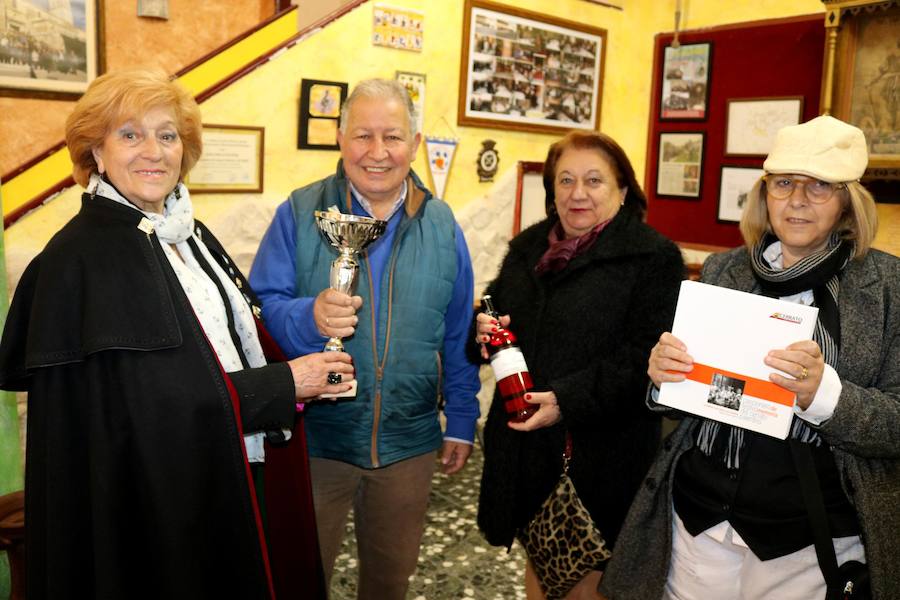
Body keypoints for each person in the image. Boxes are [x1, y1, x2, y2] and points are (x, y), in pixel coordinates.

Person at [0, 68, 356, 599]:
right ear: (95, 151)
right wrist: (285, 384)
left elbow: (224, 346)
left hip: (215, 468)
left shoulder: (180, 231)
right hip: (146, 506)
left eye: (167, 135)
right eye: (130, 134)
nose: (153, 151)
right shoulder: (81, 258)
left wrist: (298, 374)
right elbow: (148, 406)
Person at [601, 116, 900, 600]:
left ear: (848, 202)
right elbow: (689, 397)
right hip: (698, 524)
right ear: (765, 194)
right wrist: (663, 378)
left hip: (810, 541)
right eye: (784, 184)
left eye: (819, 186)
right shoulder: (725, 268)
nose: (797, 200)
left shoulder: (889, 289)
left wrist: (825, 397)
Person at [249, 78, 480, 599]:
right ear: (339, 137)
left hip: (408, 443)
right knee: (299, 578)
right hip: (316, 442)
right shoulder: (299, 212)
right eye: (363, 136)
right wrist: (309, 317)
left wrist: (462, 418)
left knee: (389, 583)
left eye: (393, 137)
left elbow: (457, 332)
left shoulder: (442, 225)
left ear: (415, 144)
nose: (378, 153)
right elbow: (259, 314)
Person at [473, 131, 684, 599]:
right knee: (541, 570)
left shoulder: (652, 258)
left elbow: (644, 360)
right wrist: (482, 329)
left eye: (594, 180)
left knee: (585, 581)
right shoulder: (530, 248)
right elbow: (493, 309)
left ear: (623, 190)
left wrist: (565, 401)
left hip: (599, 459)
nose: (577, 193)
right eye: (565, 180)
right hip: (527, 454)